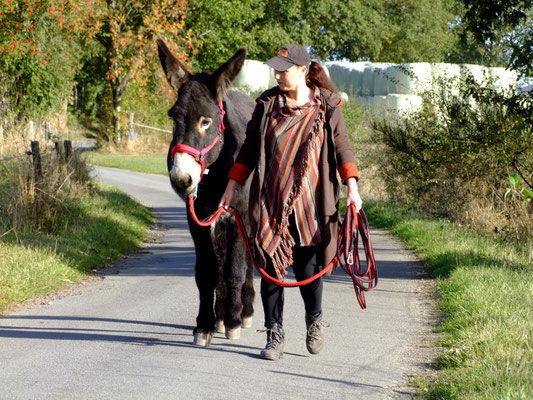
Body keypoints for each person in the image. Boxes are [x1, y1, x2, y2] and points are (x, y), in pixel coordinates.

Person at [219, 44, 362, 360]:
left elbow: (343, 147)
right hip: (271, 202)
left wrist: (352, 187)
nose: (278, 74)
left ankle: (315, 319)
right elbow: (247, 151)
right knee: (271, 270)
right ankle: (274, 334)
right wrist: (232, 187)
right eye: (276, 69)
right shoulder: (268, 104)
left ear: (302, 69)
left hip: (311, 205)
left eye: (284, 69)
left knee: (307, 271)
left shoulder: (326, 105)